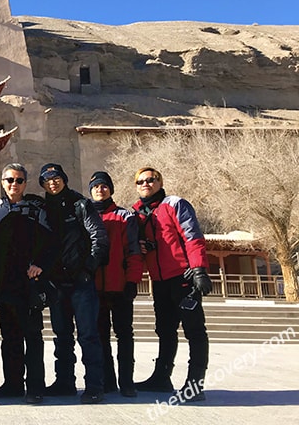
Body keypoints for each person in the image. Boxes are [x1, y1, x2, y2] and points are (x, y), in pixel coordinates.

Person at [132, 167, 211, 402]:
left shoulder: (175, 204)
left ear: (160, 182)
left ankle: (195, 384)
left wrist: (199, 269)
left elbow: (192, 236)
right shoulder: (138, 213)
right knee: (165, 330)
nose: (146, 184)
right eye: (141, 181)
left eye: (151, 180)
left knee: (194, 331)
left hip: (183, 277)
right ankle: (161, 377)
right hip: (159, 280)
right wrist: (143, 246)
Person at [39, 163, 109, 404]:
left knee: (88, 335)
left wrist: (88, 267)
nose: (53, 182)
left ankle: (94, 385)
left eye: (57, 177)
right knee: (62, 335)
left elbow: (98, 236)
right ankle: (65, 381)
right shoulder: (43, 208)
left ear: (64, 179)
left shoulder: (81, 204)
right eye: (47, 180)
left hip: (81, 281)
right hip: (56, 283)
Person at [0, 163, 53, 404]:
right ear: (2, 183)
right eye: (9, 180)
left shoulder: (37, 208)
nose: (13, 184)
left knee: (33, 337)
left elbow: (50, 242)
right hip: (5, 285)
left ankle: (36, 386)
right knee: (9, 338)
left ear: (25, 183)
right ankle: (12, 384)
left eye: (18, 180)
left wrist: (40, 265)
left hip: (29, 284)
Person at [88, 171, 142, 397]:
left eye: (104, 186)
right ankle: (108, 379)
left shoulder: (125, 216)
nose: (100, 189)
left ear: (111, 189)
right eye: (96, 186)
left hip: (118, 285)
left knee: (124, 334)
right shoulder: (86, 215)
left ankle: (127, 381)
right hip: (94, 288)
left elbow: (133, 250)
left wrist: (132, 280)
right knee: (100, 336)